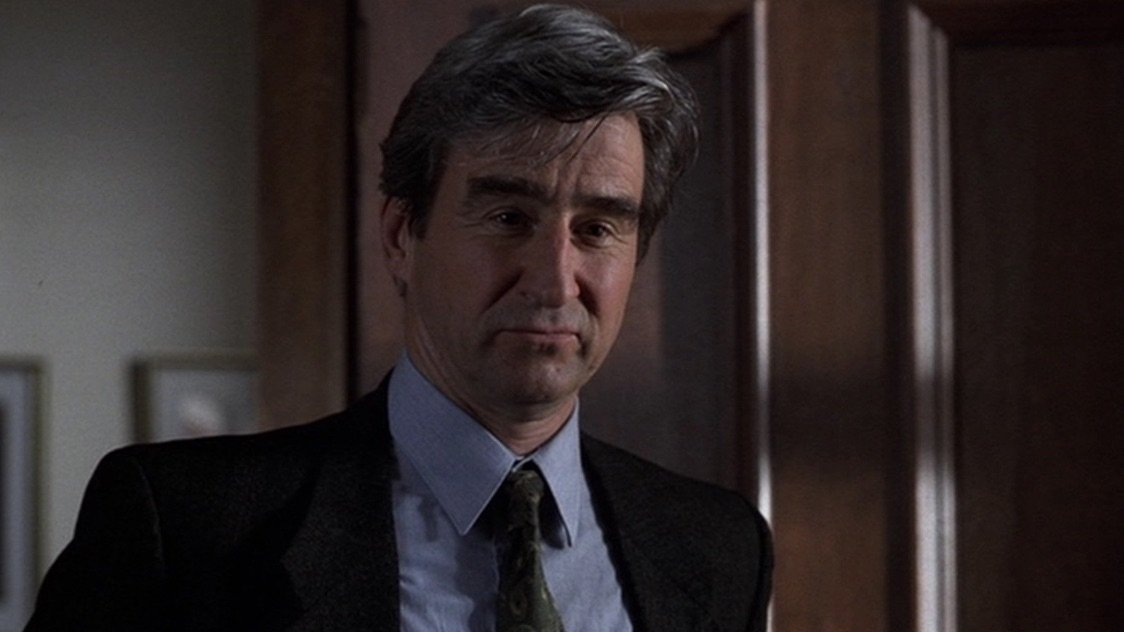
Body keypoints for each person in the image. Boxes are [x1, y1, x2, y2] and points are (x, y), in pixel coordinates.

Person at [27, 5, 772, 631]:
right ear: (399, 237)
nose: (555, 279)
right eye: (509, 217)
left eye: (598, 229)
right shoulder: (185, 528)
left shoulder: (718, 547)